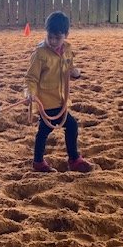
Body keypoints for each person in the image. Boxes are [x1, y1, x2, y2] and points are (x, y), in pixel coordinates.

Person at [24, 11, 92, 173]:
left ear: (66, 35)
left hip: (61, 101)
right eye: (50, 37)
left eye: (57, 37)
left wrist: (76, 73)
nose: (53, 41)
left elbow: (69, 71)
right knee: (45, 131)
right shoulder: (40, 54)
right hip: (46, 103)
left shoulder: (68, 50)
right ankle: (39, 162)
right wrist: (29, 93)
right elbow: (31, 78)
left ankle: (73, 159)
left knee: (70, 126)